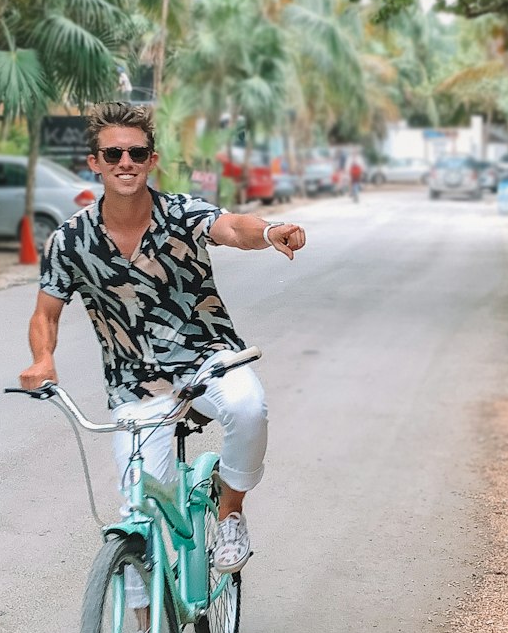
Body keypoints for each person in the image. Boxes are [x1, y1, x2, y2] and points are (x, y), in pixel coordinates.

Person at [20, 101, 305, 573]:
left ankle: (231, 513)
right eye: (112, 155)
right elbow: (45, 312)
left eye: (136, 153)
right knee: (137, 518)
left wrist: (271, 230)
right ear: (95, 163)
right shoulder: (69, 241)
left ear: (152, 159)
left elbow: (233, 227)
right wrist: (42, 359)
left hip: (209, 359)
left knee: (247, 407)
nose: (125, 163)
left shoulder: (181, 213)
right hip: (136, 384)